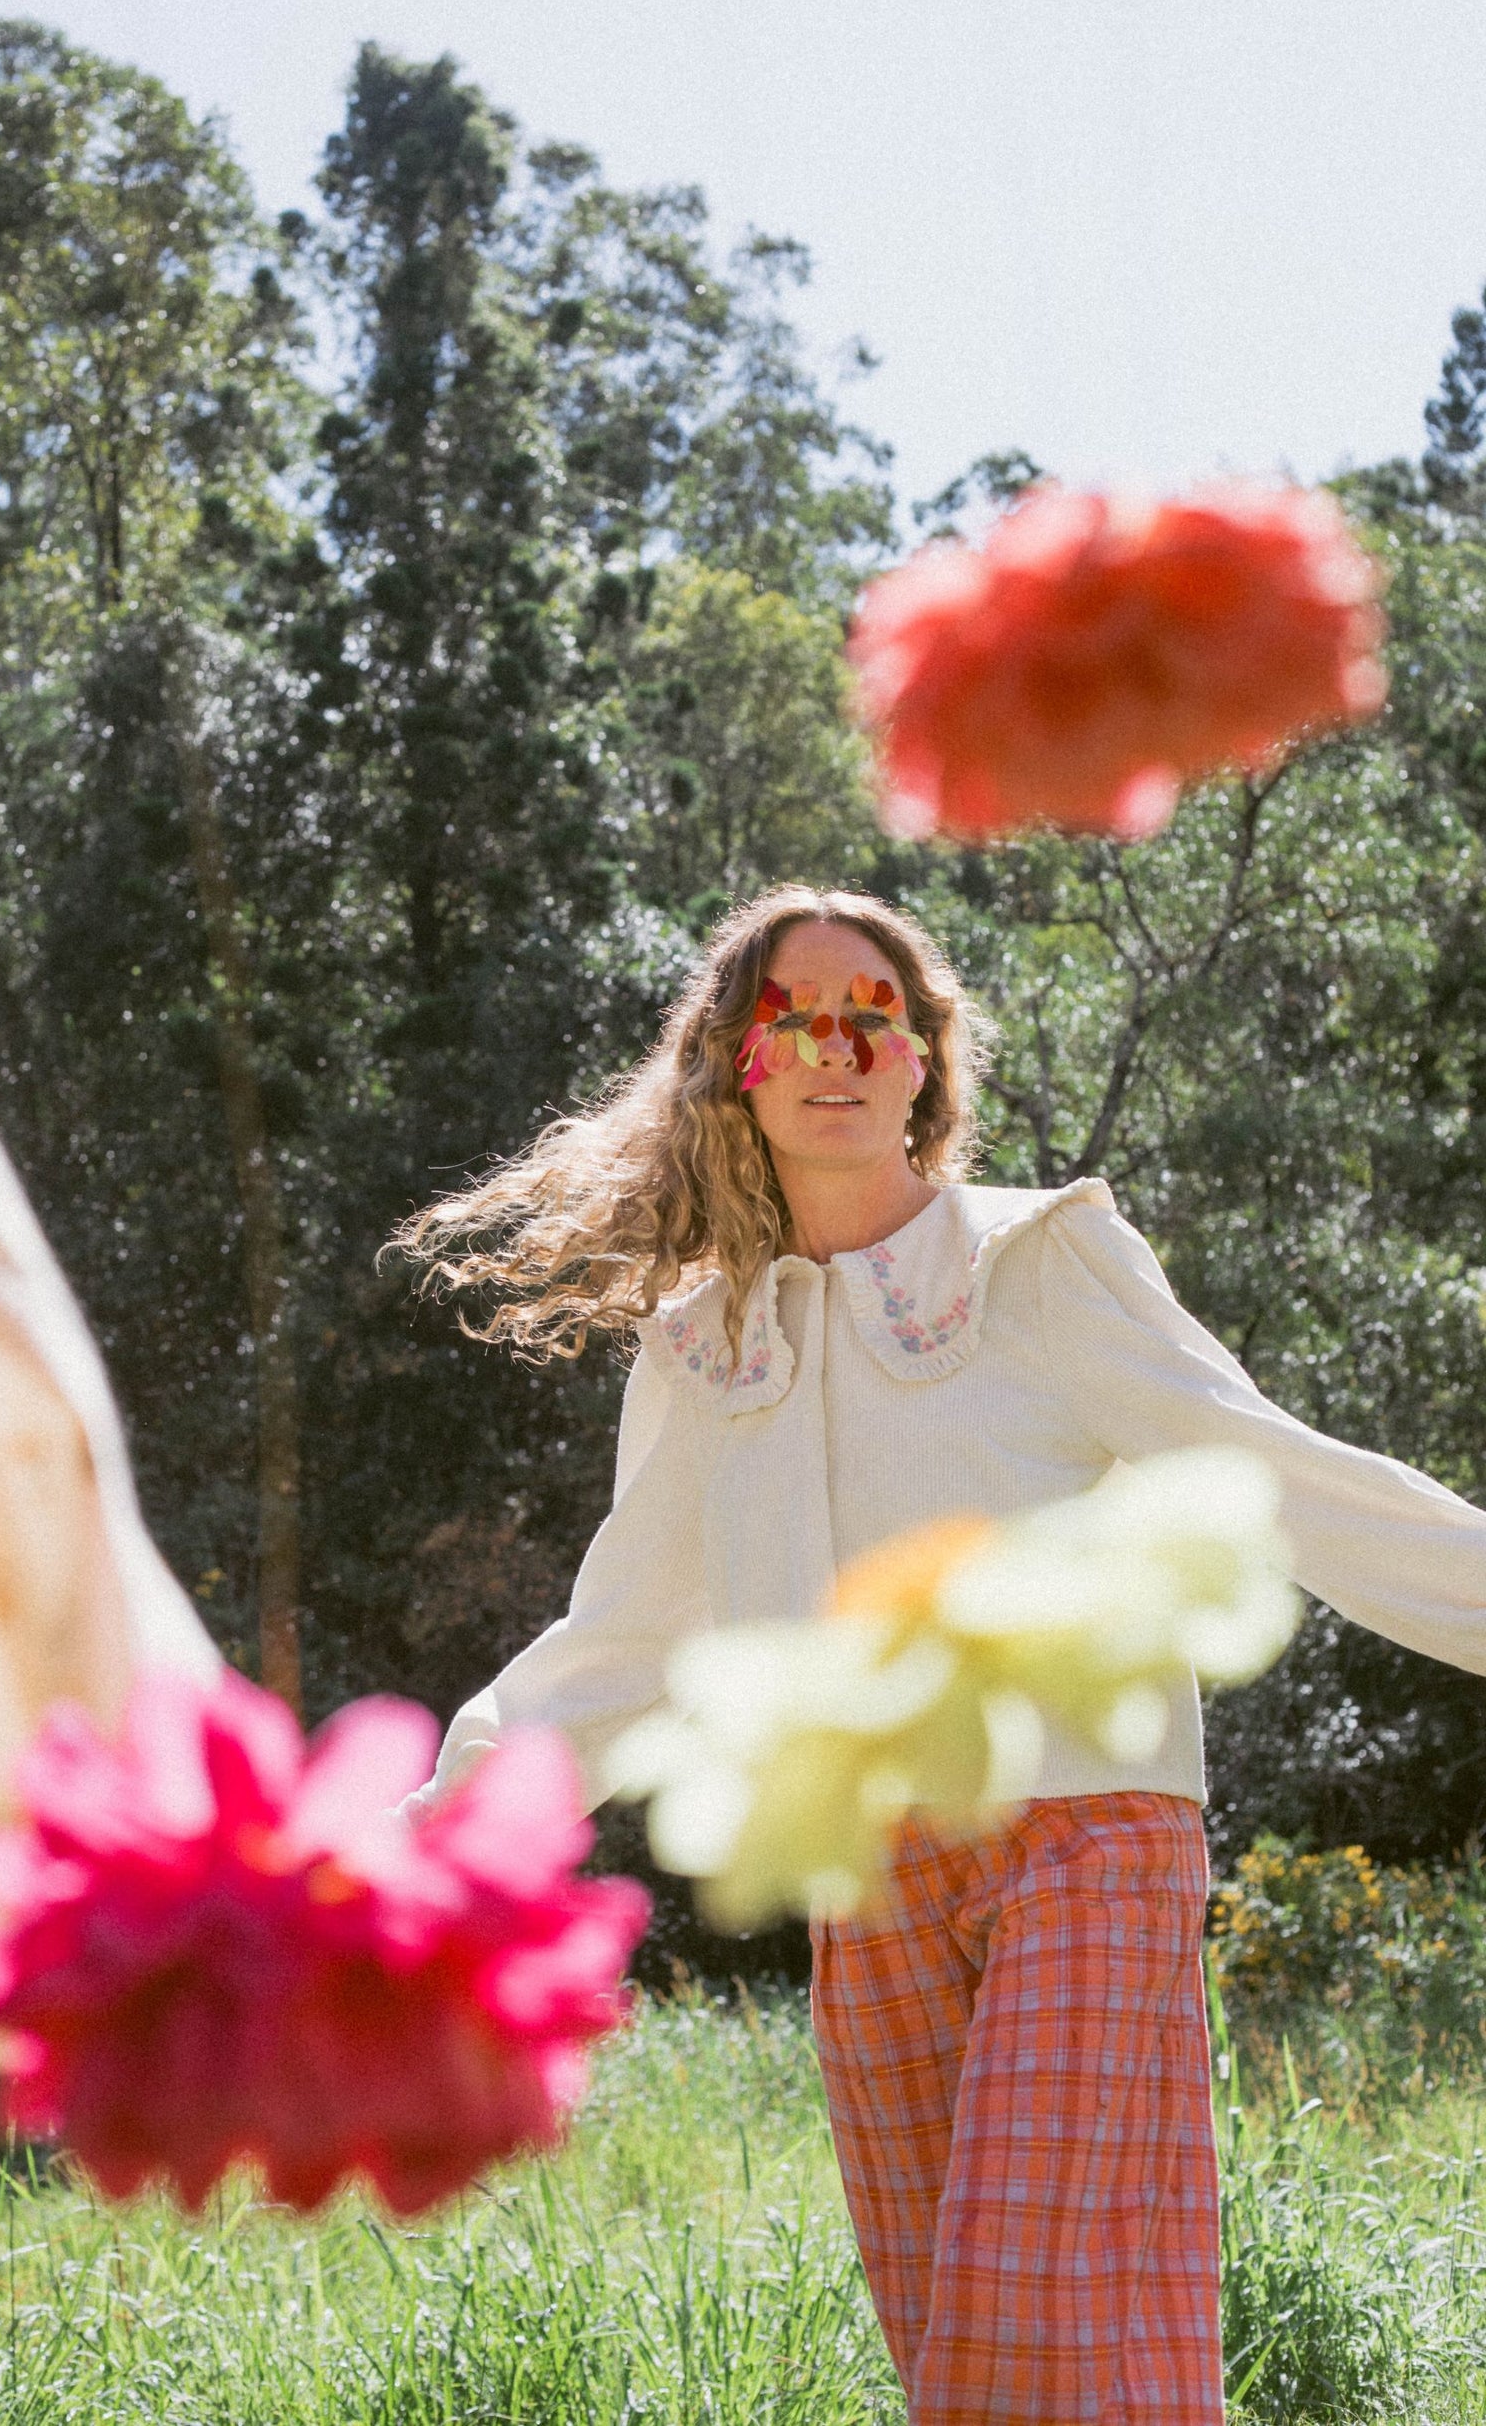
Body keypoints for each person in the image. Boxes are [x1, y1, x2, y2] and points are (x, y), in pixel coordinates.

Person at [394, 881, 1486, 2426]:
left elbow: (1279, 1475)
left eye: (872, 1017)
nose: (835, 1049)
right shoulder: (709, 1349)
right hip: (870, 1885)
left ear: (925, 1059)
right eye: (794, 1021)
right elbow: (621, 1644)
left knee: (1018, 2319)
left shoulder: (1039, 1265)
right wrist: (415, 1848)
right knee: (961, 2352)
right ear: (736, 1065)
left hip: (1085, 1848)